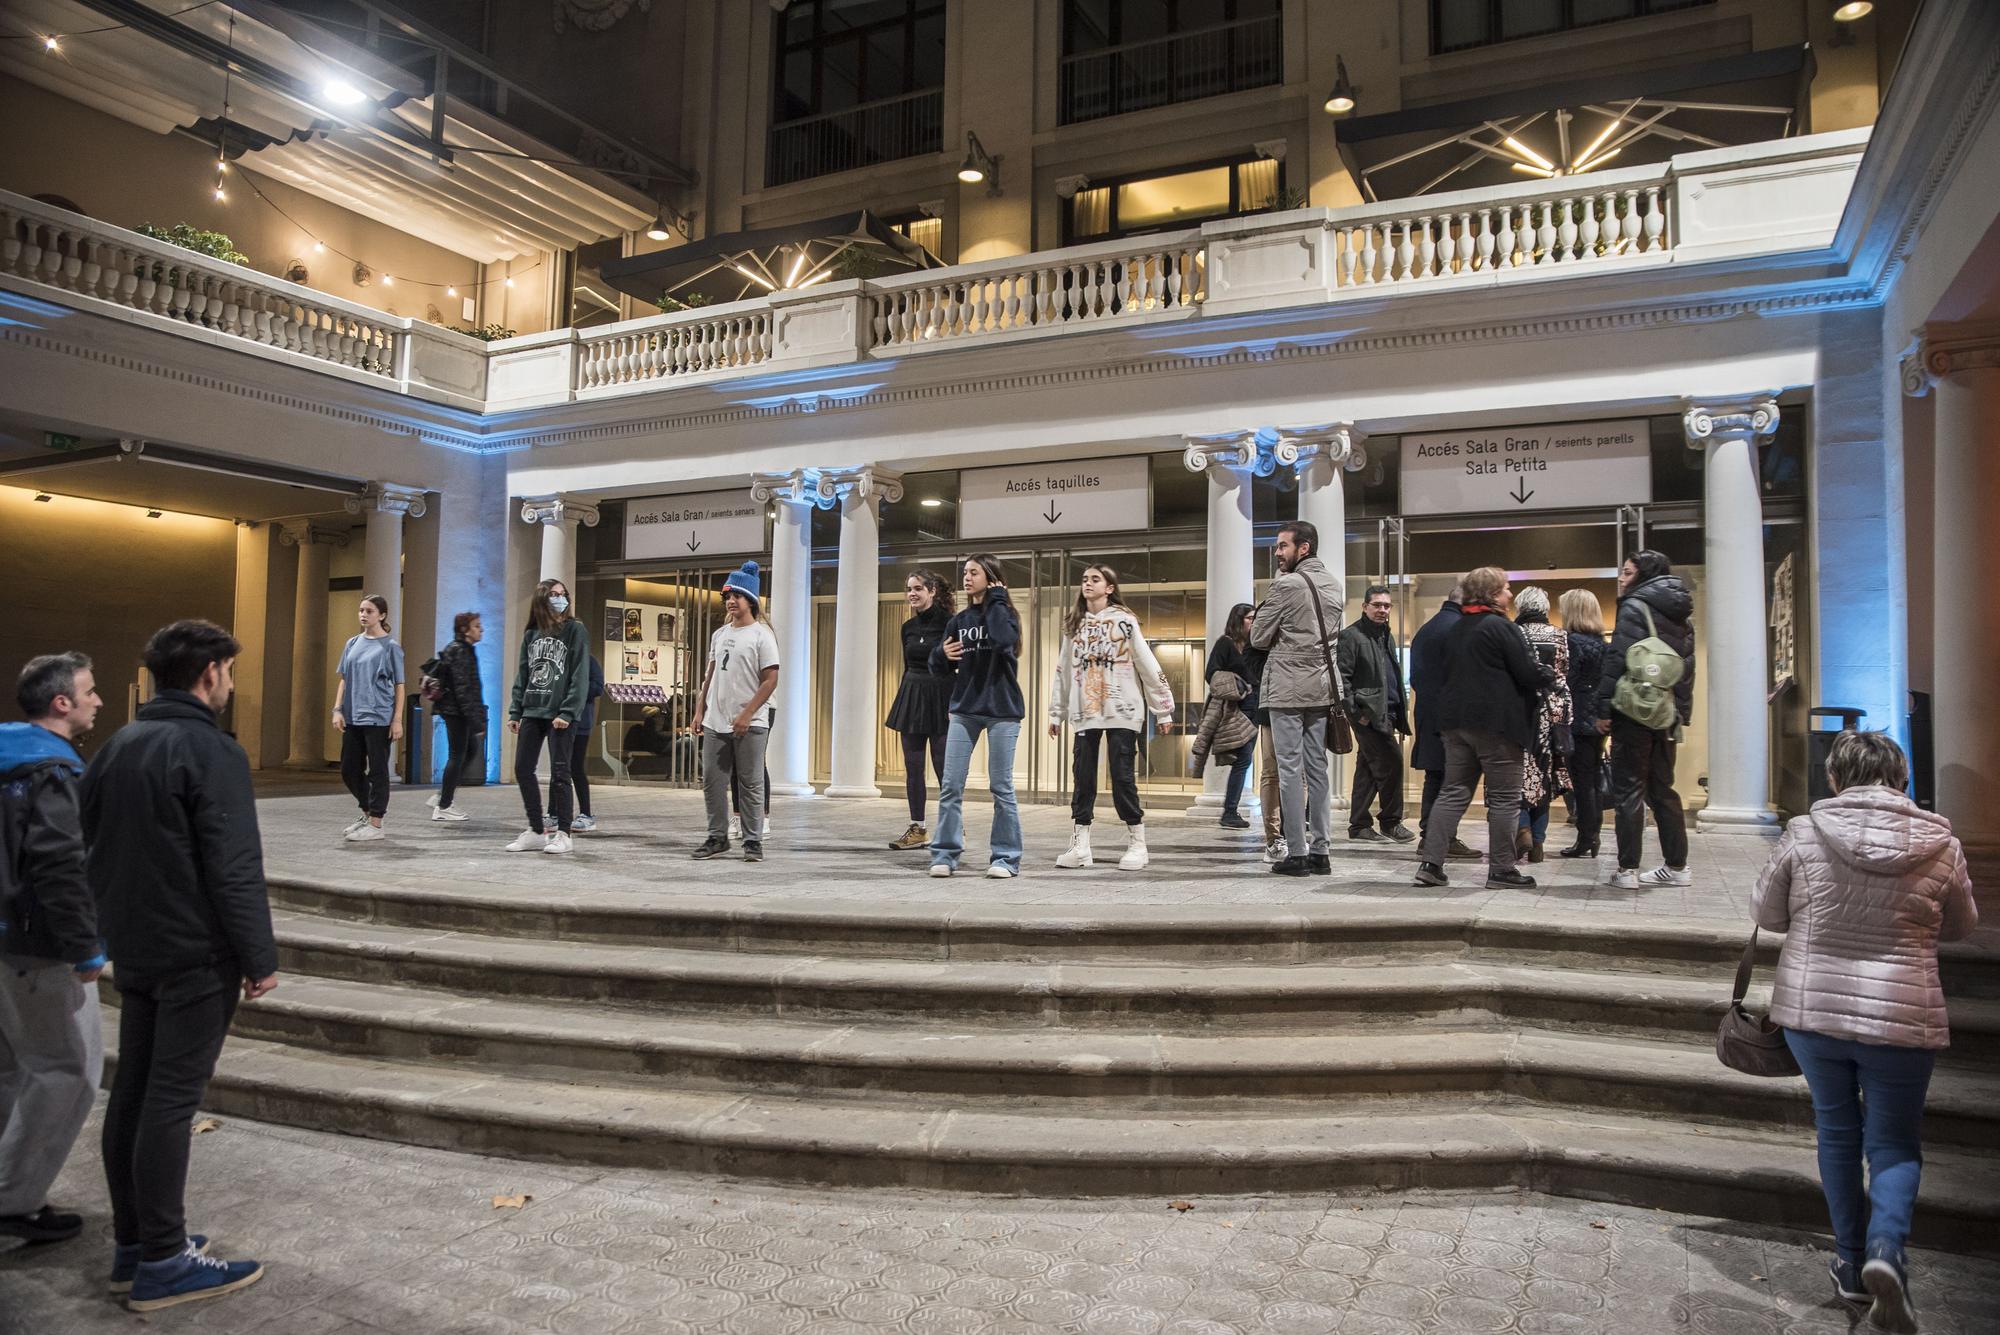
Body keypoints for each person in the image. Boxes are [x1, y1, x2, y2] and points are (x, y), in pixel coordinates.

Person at [1752, 731, 1977, 1333]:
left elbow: (1767, 915)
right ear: (1902, 778)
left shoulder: (1803, 833)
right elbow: (1961, 926)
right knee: (1895, 1143)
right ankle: (1887, 1252)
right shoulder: (1942, 842)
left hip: (1814, 1014)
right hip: (1903, 1015)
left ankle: (1851, 1266)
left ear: (1835, 778)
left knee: (1837, 1130)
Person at [82, 620, 275, 1312]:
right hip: (196, 950)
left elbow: (92, 848)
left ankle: (136, 1245)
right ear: (212, 672)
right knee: (170, 1100)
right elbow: (232, 863)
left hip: (135, 946)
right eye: (228, 670)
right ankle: (165, 1260)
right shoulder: (210, 750)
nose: (229, 682)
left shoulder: (116, 747)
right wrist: (258, 954)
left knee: (133, 1091)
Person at [0, 653, 104, 1247]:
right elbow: (62, 866)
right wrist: (85, 947)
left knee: (10, 1069)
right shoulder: (53, 772)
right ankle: (13, 1202)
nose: (96, 701)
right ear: (61, 703)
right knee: (68, 1071)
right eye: (89, 692)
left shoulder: (7, 757)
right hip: (38, 947)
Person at [1414, 567, 1551, 889]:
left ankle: (1431, 864)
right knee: (1505, 798)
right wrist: (1548, 676)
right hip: (1496, 725)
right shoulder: (1501, 627)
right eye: (1505, 588)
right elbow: (1527, 673)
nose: (1509, 594)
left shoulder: (1458, 628)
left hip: (1454, 724)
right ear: (1492, 594)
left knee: (1452, 792)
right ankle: (1503, 869)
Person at [1047, 564, 1176, 871]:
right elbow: (1063, 670)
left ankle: (1137, 843)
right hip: (1086, 712)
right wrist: (1057, 712)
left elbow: (1146, 662)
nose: (1087, 584)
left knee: (1122, 777)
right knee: (1083, 777)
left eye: (1095, 579)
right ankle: (1080, 846)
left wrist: (1163, 709)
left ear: (1109, 587)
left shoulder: (1125, 622)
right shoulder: (1073, 626)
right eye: (1084, 580)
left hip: (1123, 710)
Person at [1248, 520, 1344, 878]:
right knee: (1317, 770)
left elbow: (1258, 636)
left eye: (1282, 546)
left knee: (1289, 769)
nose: (1277, 552)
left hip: (1288, 688)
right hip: (1321, 688)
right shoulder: (1335, 586)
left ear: (1303, 548)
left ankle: (1297, 853)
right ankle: (1322, 851)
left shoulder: (1286, 585)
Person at [1595, 550, 1695, 890]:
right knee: (1662, 789)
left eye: (1626, 572)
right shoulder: (1682, 613)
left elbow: (1618, 658)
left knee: (1629, 790)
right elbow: (1686, 669)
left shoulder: (1634, 607)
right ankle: (1677, 866)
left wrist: (1603, 709)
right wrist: (1681, 712)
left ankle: (1628, 870)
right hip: (1666, 715)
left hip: (1633, 713)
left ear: (1642, 575)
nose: (1621, 579)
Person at [929, 554, 1024, 879]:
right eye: (965, 572)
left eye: (974, 572)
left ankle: (1006, 858)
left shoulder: (1006, 615)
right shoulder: (959, 620)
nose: (966, 578)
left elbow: (1002, 640)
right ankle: (944, 854)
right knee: (951, 785)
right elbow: (937, 664)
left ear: (991, 577)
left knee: (1001, 786)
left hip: (1002, 710)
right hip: (964, 709)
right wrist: (940, 655)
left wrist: (997, 599)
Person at [691, 562, 780, 863]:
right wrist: (699, 708)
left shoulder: (761, 635)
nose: (730, 601)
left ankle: (753, 840)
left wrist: (747, 714)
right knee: (712, 780)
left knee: (750, 782)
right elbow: (711, 675)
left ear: (750, 600)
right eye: (727, 595)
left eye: (736, 596)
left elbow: (770, 680)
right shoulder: (719, 634)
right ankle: (717, 837)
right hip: (716, 720)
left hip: (751, 722)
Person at [505, 579, 590, 856]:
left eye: (563, 594)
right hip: (533, 709)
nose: (560, 599)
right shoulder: (532, 634)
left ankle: (563, 832)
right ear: (542, 599)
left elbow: (580, 674)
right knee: (523, 768)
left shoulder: (575, 630)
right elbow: (523, 674)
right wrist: (515, 710)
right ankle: (535, 829)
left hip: (560, 714)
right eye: (553, 594)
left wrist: (568, 711)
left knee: (560, 772)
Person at [1336, 584, 1414, 844]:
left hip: (1387, 712)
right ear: (1365, 606)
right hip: (1368, 714)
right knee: (1392, 763)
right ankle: (1391, 821)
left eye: (1386, 605)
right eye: (1377, 605)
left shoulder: (1386, 636)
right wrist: (1357, 714)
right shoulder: (1352, 636)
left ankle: (1359, 824)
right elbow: (1342, 680)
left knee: (1368, 769)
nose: (1382, 610)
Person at [1408, 585, 1480, 861]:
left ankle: (1433, 835)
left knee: (1435, 776)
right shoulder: (1459, 628)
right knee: (1452, 780)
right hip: (1451, 716)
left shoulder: (1427, 629)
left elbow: (1416, 678)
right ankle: (1438, 838)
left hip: (1428, 711)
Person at [886, 570, 954, 851]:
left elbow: (956, 665)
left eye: (917, 588)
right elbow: (907, 664)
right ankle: (918, 828)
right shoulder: (907, 627)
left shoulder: (951, 624)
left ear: (932, 590)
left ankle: (952, 826)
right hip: (912, 696)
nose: (912, 593)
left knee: (943, 768)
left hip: (941, 696)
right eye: (908, 588)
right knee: (913, 767)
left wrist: (956, 704)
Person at [331, 594, 405, 843]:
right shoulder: (352, 643)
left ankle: (376, 822)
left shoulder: (391, 647)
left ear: (382, 615)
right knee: (349, 769)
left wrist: (397, 719)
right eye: (361, 610)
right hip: (353, 716)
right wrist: (337, 709)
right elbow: (344, 678)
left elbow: (399, 686)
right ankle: (367, 811)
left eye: (369, 611)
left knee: (378, 771)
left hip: (379, 717)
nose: (363, 615)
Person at [1510, 586, 1571, 865]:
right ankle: (1538, 842)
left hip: (1520, 713)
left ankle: (1521, 828)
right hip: (1550, 716)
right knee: (1544, 778)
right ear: (1545, 608)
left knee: (1516, 775)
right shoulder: (1559, 636)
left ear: (1521, 607)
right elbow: (1562, 677)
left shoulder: (1514, 634)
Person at [1557, 589, 1608, 860]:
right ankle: (1591, 835)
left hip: (1577, 719)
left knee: (1582, 780)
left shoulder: (1572, 642)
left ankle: (1587, 836)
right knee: (1592, 779)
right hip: (1595, 721)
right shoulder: (1601, 643)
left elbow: (1568, 682)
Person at [1202, 603, 1258, 833]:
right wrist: (1236, 686)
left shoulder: (1257, 645)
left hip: (1256, 705)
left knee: (1244, 759)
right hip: (1236, 706)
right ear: (1239, 620)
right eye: (1250, 618)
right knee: (1243, 758)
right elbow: (1211, 673)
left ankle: (1230, 811)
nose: (1254, 622)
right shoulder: (1226, 643)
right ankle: (1229, 811)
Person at [427, 611, 485, 823]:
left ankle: (443, 796)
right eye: (477, 626)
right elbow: (463, 688)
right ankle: (443, 806)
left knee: (469, 750)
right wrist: (475, 719)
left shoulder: (464, 649)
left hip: (457, 711)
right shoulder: (459, 650)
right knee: (458, 754)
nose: (481, 629)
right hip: (456, 711)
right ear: (464, 629)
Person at [568, 654, 605, 832]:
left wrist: (575, 688)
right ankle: (553, 813)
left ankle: (586, 814)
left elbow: (598, 688)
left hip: (581, 722)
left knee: (576, 767)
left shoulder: (589, 661)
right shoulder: (560, 658)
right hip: (559, 722)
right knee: (559, 769)